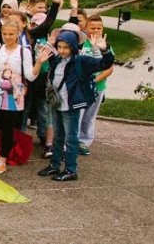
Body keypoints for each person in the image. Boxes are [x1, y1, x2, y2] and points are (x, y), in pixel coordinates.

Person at [38, 29, 114, 181]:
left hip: (70, 106)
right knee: (58, 137)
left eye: (66, 47)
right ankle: (55, 165)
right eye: (60, 47)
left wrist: (102, 49)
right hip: (57, 104)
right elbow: (40, 54)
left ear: (73, 46)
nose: (62, 50)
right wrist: (49, 43)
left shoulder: (81, 61)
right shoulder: (57, 59)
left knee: (70, 138)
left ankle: (71, 169)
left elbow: (104, 64)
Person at [0, 19, 45, 175]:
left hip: (14, 93)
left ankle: (3, 159)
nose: (7, 37)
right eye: (4, 33)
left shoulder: (24, 51)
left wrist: (39, 63)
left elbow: (30, 75)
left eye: (11, 34)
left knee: (8, 128)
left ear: (18, 33)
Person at [78, 16, 111, 156]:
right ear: (86, 29)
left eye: (99, 28)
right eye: (93, 28)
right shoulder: (82, 45)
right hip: (81, 88)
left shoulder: (105, 46)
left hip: (97, 87)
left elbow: (109, 68)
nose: (96, 31)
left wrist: (94, 80)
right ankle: (73, 140)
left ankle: (85, 142)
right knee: (78, 114)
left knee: (89, 116)